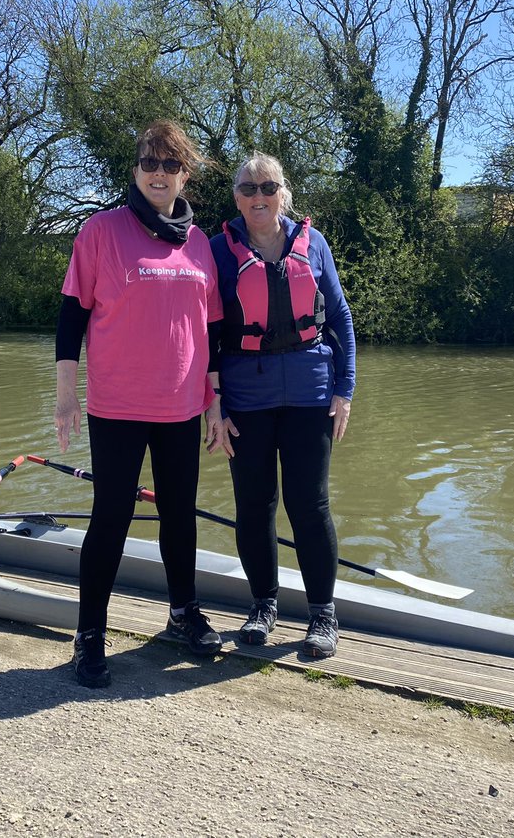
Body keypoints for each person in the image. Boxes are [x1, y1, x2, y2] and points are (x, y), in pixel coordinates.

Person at [56, 120, 227, 688]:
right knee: (112, 517)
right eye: (150, 163)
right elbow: (71, 318)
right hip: (116, 406)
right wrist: (65, 396)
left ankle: (183, 614)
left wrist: (215, 403)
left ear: (185, 175)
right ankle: (89, 637)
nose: (159, 174)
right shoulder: (100, 231)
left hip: (181, 407)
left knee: (179, 516)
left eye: (171, 165)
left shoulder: (200, 243)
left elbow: (214, 333)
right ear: (135, 170)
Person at [209, 151, 356, 659]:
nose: (258, 197)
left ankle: (322, 614)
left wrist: (345, 390)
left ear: (283, 192)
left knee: (309, 506)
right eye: (248, 189)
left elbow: (340, 319)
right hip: (246, 400)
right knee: (255, 506)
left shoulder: (313, 244)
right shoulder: (218, 251)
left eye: (267, 187)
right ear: (236, 198)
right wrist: (215, 405)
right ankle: (263, 604)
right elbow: (207, 334)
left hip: (312, 396)